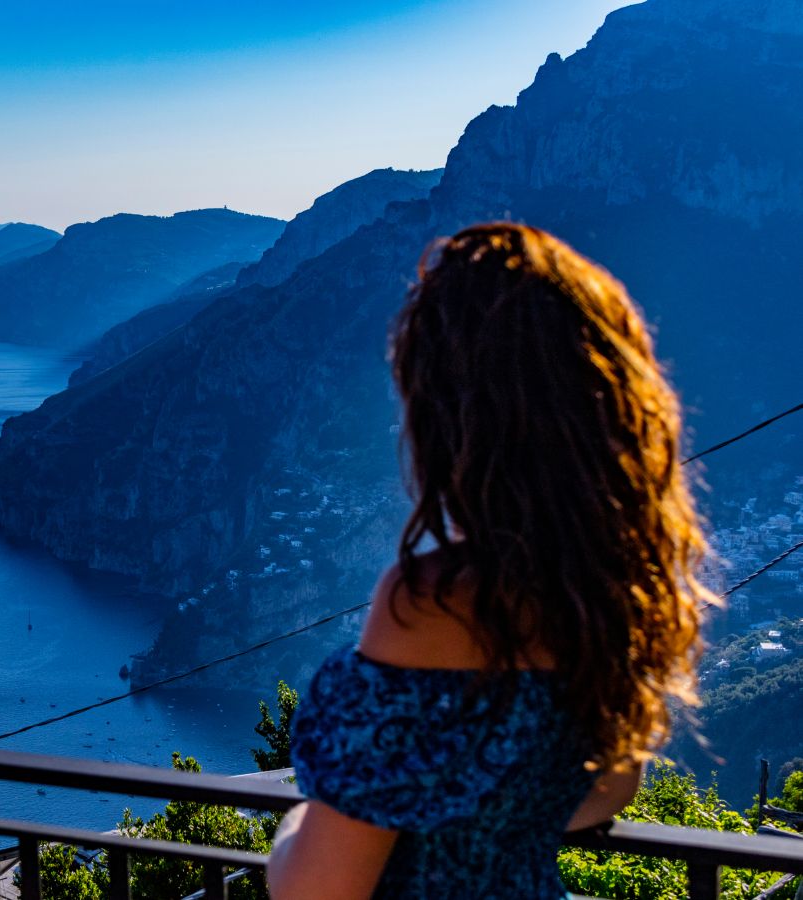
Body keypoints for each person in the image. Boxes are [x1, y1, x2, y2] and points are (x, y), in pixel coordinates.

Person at [266, 223, 715, 899]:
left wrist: (298, 823)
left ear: (451, 416)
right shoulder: (608, 591)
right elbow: (606, 791)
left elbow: (318, 890)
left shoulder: (433, 603)